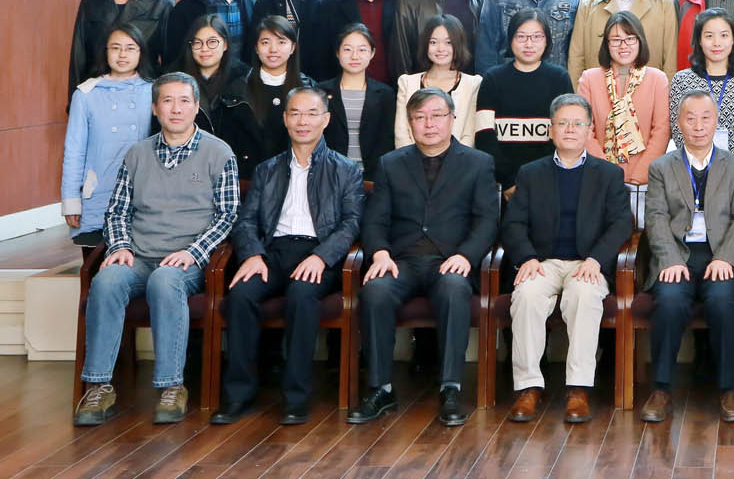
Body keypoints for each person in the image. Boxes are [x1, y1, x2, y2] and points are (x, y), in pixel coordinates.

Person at [73, 73, 239, 426]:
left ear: (196, 106)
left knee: (165, 280)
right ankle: (99, 386)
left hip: (187, 260)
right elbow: (117, 211)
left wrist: (193, 252)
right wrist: (120, 246)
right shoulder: (137, 154)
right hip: (138, 254)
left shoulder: (219, 152)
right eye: (167, 101)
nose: (176, 109)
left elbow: (227, 217)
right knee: (106, 280)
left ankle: (171, 386)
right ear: (155, 108)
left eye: (184, 101)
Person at [211, 86, 364, 426]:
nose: (302, 121)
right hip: (272, 253)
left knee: (302, 296)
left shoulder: (345, 169)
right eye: (295, 113)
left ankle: (296, 398)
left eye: (311, 114)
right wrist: (252, 254)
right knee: (241, 296)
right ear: (285, 119)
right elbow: (246, 220)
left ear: (326, 119)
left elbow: (352, 223)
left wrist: (322, 257)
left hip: (318, 254)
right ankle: (238, 395)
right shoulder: (267, 169)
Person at [348, 87, 499, 427]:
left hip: (450, 260)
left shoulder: (478, 163)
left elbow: (487, 220)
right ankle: (381, 388)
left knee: (454, 289)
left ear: (452, 119)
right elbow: (375, 220)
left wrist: (466, 255)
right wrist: (380, 253)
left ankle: (450, 388)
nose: (429, 124)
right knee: (375, 291)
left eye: (436, 116)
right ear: (410, 122)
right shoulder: (391, 163)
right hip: (400, 261)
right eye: (420, 117)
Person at [502, 94, 634, 424]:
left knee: (584, 296)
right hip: (542, 262)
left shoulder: (608, 174)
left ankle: (578, 388)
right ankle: (528, 387)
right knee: (527, 295)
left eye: (578, 123)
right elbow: (513, 223)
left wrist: (597, 259)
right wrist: (527, 258)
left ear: (590, 130)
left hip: (587, 263)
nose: (570, 129)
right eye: (563, 123)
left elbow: (621, 223)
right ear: (551, 130)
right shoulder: (530, 173)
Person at [639, 89, 734, 423]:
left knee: (722, 301)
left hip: (720, 255)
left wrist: (726, 258)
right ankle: (661, 389)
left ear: (716, 121)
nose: (699, 126)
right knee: (669, 301)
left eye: (706, 118)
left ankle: (729, 389)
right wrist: (670, 259)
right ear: (679, 123)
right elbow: (656, 218)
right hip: (677, 255)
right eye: (690, 119)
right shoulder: (662, 167)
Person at [62, 24, 154, 247]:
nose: (122, 54)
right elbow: (74, 151)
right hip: (97, 194)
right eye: (115, 47)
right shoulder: (86, 94)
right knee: (95, 262)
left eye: (130, 48)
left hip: (144, 195)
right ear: (105, 51)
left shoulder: (155, 91)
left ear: (141, 52)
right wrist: (71, 201)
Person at [577, 11, 671, 224]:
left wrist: (639, 177)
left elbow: (662, 130)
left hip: (645, 180)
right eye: (616, 40)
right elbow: (585, 130)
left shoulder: (657, 79)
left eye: (630, 39)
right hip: (599, 177)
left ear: (640, 41)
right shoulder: (589, 79)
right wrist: (608, 174)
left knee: (642, 236)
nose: (623, 45)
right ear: (606, 44)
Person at [475, 8, 575, 197]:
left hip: (549, 182)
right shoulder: (492, 79)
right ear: (510, 39)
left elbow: (566, 135)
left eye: (537, 37)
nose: (529, 44)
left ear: (547, 41)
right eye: (521, 37)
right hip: (501, 186)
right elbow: (484, 137)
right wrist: (508, 182)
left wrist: (540, 180)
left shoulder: (560, 79)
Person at [217, 16, 314, 174]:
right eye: (265, 42)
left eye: (281, 42)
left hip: (298, 177)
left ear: (292, 47)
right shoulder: (236, 90)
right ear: (256, 48)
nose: (273, 49)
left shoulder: (309, 90)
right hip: (248, 178)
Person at [668, 8, 734, 167]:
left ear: (733, 39)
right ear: (699, 40)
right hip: (693, 170)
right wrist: (699, 166)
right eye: (709, 36)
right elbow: (678, 130)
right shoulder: (682, 80)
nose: (717, 43)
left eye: (724, 35)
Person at [318, 24, 396, 179]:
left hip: (373, 178)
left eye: (362, 50)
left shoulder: (385, 94)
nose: (355, 56)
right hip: (330, 175)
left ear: (372, 53)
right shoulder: (321, 91)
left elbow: (387, 141)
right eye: (347, 49)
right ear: (337, 52)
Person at [394, 14, 481, 149]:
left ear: (458, 44)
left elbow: (469, 135)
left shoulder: (473, 84)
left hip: (458, 160)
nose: (441, 49)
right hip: (411, 160)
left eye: (448, 42)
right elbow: (401, 135)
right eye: (433, 42)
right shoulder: (407, 82)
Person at [173, 14, 249, 136]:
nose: (204, 49)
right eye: (197, 42)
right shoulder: (175, 80)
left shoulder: (244, 77)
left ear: (225, 45)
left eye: (212, 42)